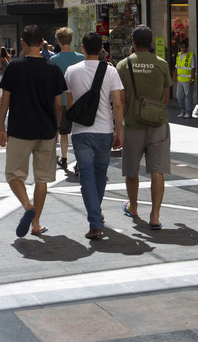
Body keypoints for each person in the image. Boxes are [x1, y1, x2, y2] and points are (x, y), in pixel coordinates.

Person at [0, 25, 66, 237]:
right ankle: (36, 224)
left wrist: (1, 127)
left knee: (13, 175)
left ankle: (27, 206)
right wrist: (56, 127)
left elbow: (4, 101)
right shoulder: (53, 68)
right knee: (42, 179)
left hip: (20, 130)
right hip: (45, 130)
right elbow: (58, 104)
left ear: (23, 42)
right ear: (43, 42)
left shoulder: (14, 67)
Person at [64, 32, 124, 240]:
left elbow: (70, 104)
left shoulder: (71, 71)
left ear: (82, 48)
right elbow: (117, 103)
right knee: (100, 175)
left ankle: (95, 221)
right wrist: (119, 131)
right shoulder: (110, 71)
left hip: (81, 131)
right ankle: (96, 217)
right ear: (101, 50)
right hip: (105, 130)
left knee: (86, 177)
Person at [116, 25, 172, 230]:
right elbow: (166, 99)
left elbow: (120, 101)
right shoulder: (162, 65)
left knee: (131, 170)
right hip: (157, 124)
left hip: (133, 125)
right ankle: (155, 216)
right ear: (150, 42)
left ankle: (133, 207)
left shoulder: (123, 65)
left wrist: (118, 129)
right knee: (157, 171)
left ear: (132, 42)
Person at [50, 27, 85, 173]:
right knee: (79, 133)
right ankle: (78, 162)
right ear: (71, 40)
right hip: (78, 101)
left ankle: (64, 158)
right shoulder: (81, 58)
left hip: (61, 101)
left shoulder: (53, 60)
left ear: (58, 41)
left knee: (63, 132)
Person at [172, 39, 196, 119]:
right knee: (179, 96)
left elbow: (193, 68)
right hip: (180, 80)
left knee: (188, 97)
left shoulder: (191, 55)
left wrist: (192, 79)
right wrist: (174, 77)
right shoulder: (178, 55)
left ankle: (188, 112)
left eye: (185, 47)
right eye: (182, 47)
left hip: (187, 80)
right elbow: (176, 67)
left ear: (187, 47)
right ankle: (182, 111)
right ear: (180, 47)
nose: (184, 49)